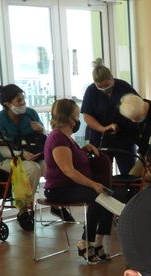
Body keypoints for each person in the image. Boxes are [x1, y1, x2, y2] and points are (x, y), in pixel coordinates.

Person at [43, 99, 115, 264]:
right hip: (59, 189)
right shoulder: (57, 138)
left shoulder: (66, 137)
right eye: (77, 115)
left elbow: (71, 158)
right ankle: (85, 242)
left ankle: (98, 243)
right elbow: (68, 170)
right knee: (99, 197)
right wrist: (93, 184)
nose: (78, 119)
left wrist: (82, 150)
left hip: (70, 186)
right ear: (69, 118)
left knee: (107, 197)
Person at [0, 84, 45, 220]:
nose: (23, 103)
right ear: (7, 103)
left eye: (23, 100)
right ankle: (25, 209)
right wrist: (21, 154)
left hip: (33, 156)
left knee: (50, 166)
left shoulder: (31, 114)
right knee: (33, 168)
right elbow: (3, 150)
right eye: (19, 101)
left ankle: (57, 205)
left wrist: (41, 130)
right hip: (8, 160)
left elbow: (45, 136)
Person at [80, 59, 138, 175]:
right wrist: (103, 128)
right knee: (102, 173)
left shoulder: (124, 87)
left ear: (112, 78)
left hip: (124, 137)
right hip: (100, 138)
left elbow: (136, 107)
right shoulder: (91, 91)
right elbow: (87, 116)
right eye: (99, 87)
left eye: (106, 85)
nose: (104, 89)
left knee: (129, 173)